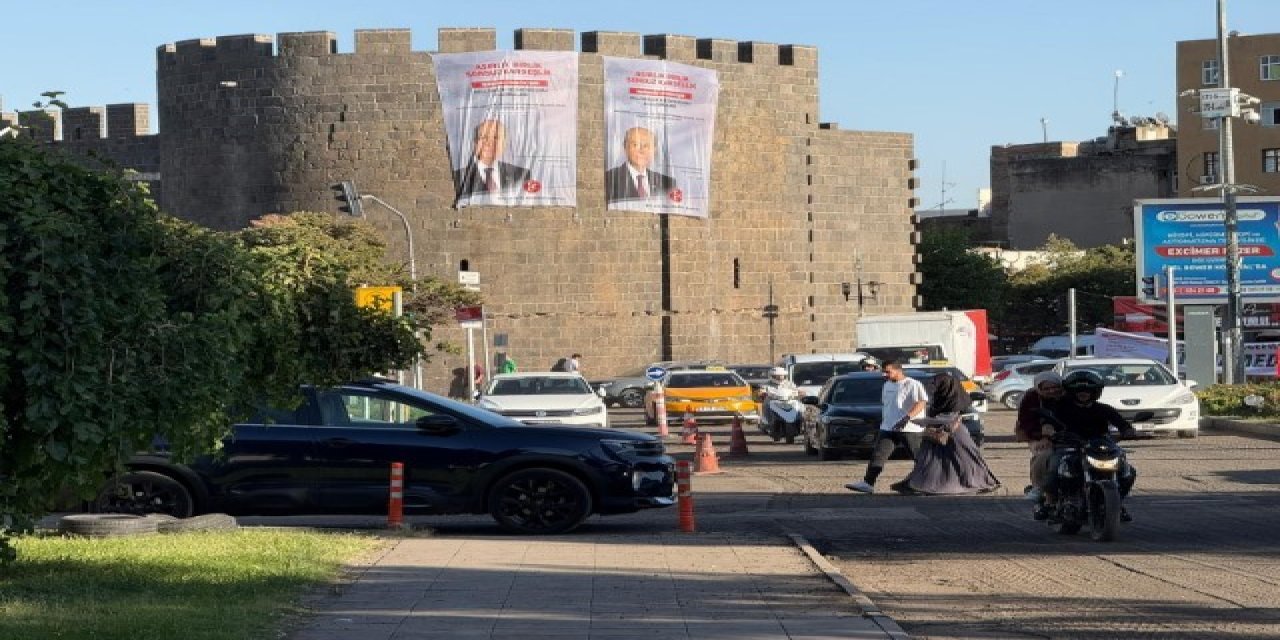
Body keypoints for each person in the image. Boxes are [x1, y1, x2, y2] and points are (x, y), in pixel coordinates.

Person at [1038, 370, 1139, 521]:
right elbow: (1047, 423)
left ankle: (1118, 502)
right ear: (1071, 391)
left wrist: (1129, 431)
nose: (1083, 393)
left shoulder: (1104, 409)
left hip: (1099, 446)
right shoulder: (1059, 407)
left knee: (1127, 471)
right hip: (1068, 446)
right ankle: (1052, 503)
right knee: (1054, 468)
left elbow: (1123, 424)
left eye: (1088, 390)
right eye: (1078, 390)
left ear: (1096, 391)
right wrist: (1049, 430)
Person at [902, 372, 1000, 495]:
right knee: (935, 461)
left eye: (938, 384)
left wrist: (918, 421)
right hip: (942, 434)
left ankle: (973, 482)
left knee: (962, 460)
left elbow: (946, 418)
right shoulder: (945, 397)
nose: (935, 387)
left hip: (953, 433)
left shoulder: (954, 400)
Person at [845, 361, 928, 494]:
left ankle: (927, 483)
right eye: (884, 371)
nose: (885, 374)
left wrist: (907, 418)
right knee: (878, 455)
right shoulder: (887, 384)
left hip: (910, 428)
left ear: (898, 370)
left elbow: (921, 403)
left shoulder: (913, 384)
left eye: (888, 372)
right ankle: (868, 483)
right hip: (889, 427)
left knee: (918, 457)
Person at [1015, 371, 1065, 517]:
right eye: (1046, 389)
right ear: (1039, 389)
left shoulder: (1068, 397)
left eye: (1054, 387)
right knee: (1045, 455)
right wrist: (1042, 436)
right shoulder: (1031, 397)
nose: (1052, 391)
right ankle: (1039, 487)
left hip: (1068, 435)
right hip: (1038, 435)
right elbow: (1026, 421)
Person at [452, 119, 531, 202]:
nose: (489, 143)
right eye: (483, 137)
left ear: (504, 144)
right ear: (474, 143)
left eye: (495, 138)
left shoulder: (522, 175)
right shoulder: (459, 177)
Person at [605, 127, 678, 202]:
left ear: (654, 150)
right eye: (635, 145)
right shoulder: (609, 179)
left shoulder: (668, 183)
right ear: (625, 147)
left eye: (646, 146)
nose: (641, 151)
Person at [762, 366, 799, 432]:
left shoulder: (789, 383)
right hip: (772, 400)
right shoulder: (768, 383)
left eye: (782, 376)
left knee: (798, 406)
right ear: (772, 376)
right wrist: (762, 392)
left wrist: (799, 392)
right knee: (766, 404)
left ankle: (798, 421)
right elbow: (763, 389)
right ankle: (767, 422)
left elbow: (795, 390)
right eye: (777, 376)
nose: (780, 377)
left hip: (788, 401)